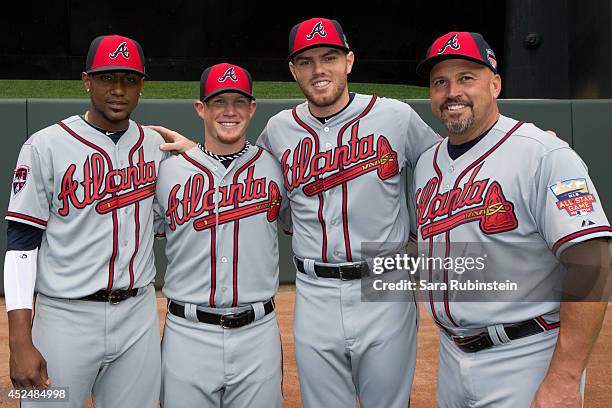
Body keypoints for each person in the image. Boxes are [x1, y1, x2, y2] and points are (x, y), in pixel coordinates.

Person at [413, 31, 612, 407]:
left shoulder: (544, 153)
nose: (452, 91)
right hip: (452, 358)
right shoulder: (427, 164)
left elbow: (591, 263)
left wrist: (565, 379)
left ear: (495, 84)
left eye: (466, 78)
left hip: (526, 356)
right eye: (440, 82)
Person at [256, 17, 441, 407]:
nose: (318, 70)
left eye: (329, 57)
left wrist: (523, 143)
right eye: (305, 61)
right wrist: (194, 150)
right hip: (314, 288)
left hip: (385, 283)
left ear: (349, 61)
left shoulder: (395, 116)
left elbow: (450, 162)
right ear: (293, 70)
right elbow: (246, 176)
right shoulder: (278, 129)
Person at [4, 35, 164, 407]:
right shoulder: (44, 146)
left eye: (129, 79)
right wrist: (19, 340)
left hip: (137, 315)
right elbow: (21, 244)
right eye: (107, 77)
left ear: (142, 85)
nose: (118, 89)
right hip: (64, 318)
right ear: (87, 80)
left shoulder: (157, 147)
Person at [155, 63, 286, 408]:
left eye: (239, 102)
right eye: (218, 102)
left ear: (252, 108)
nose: (229, 111)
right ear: (201, 109)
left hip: (258, 334)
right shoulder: (167, 171)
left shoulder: (277, 167)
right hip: (188, 334)